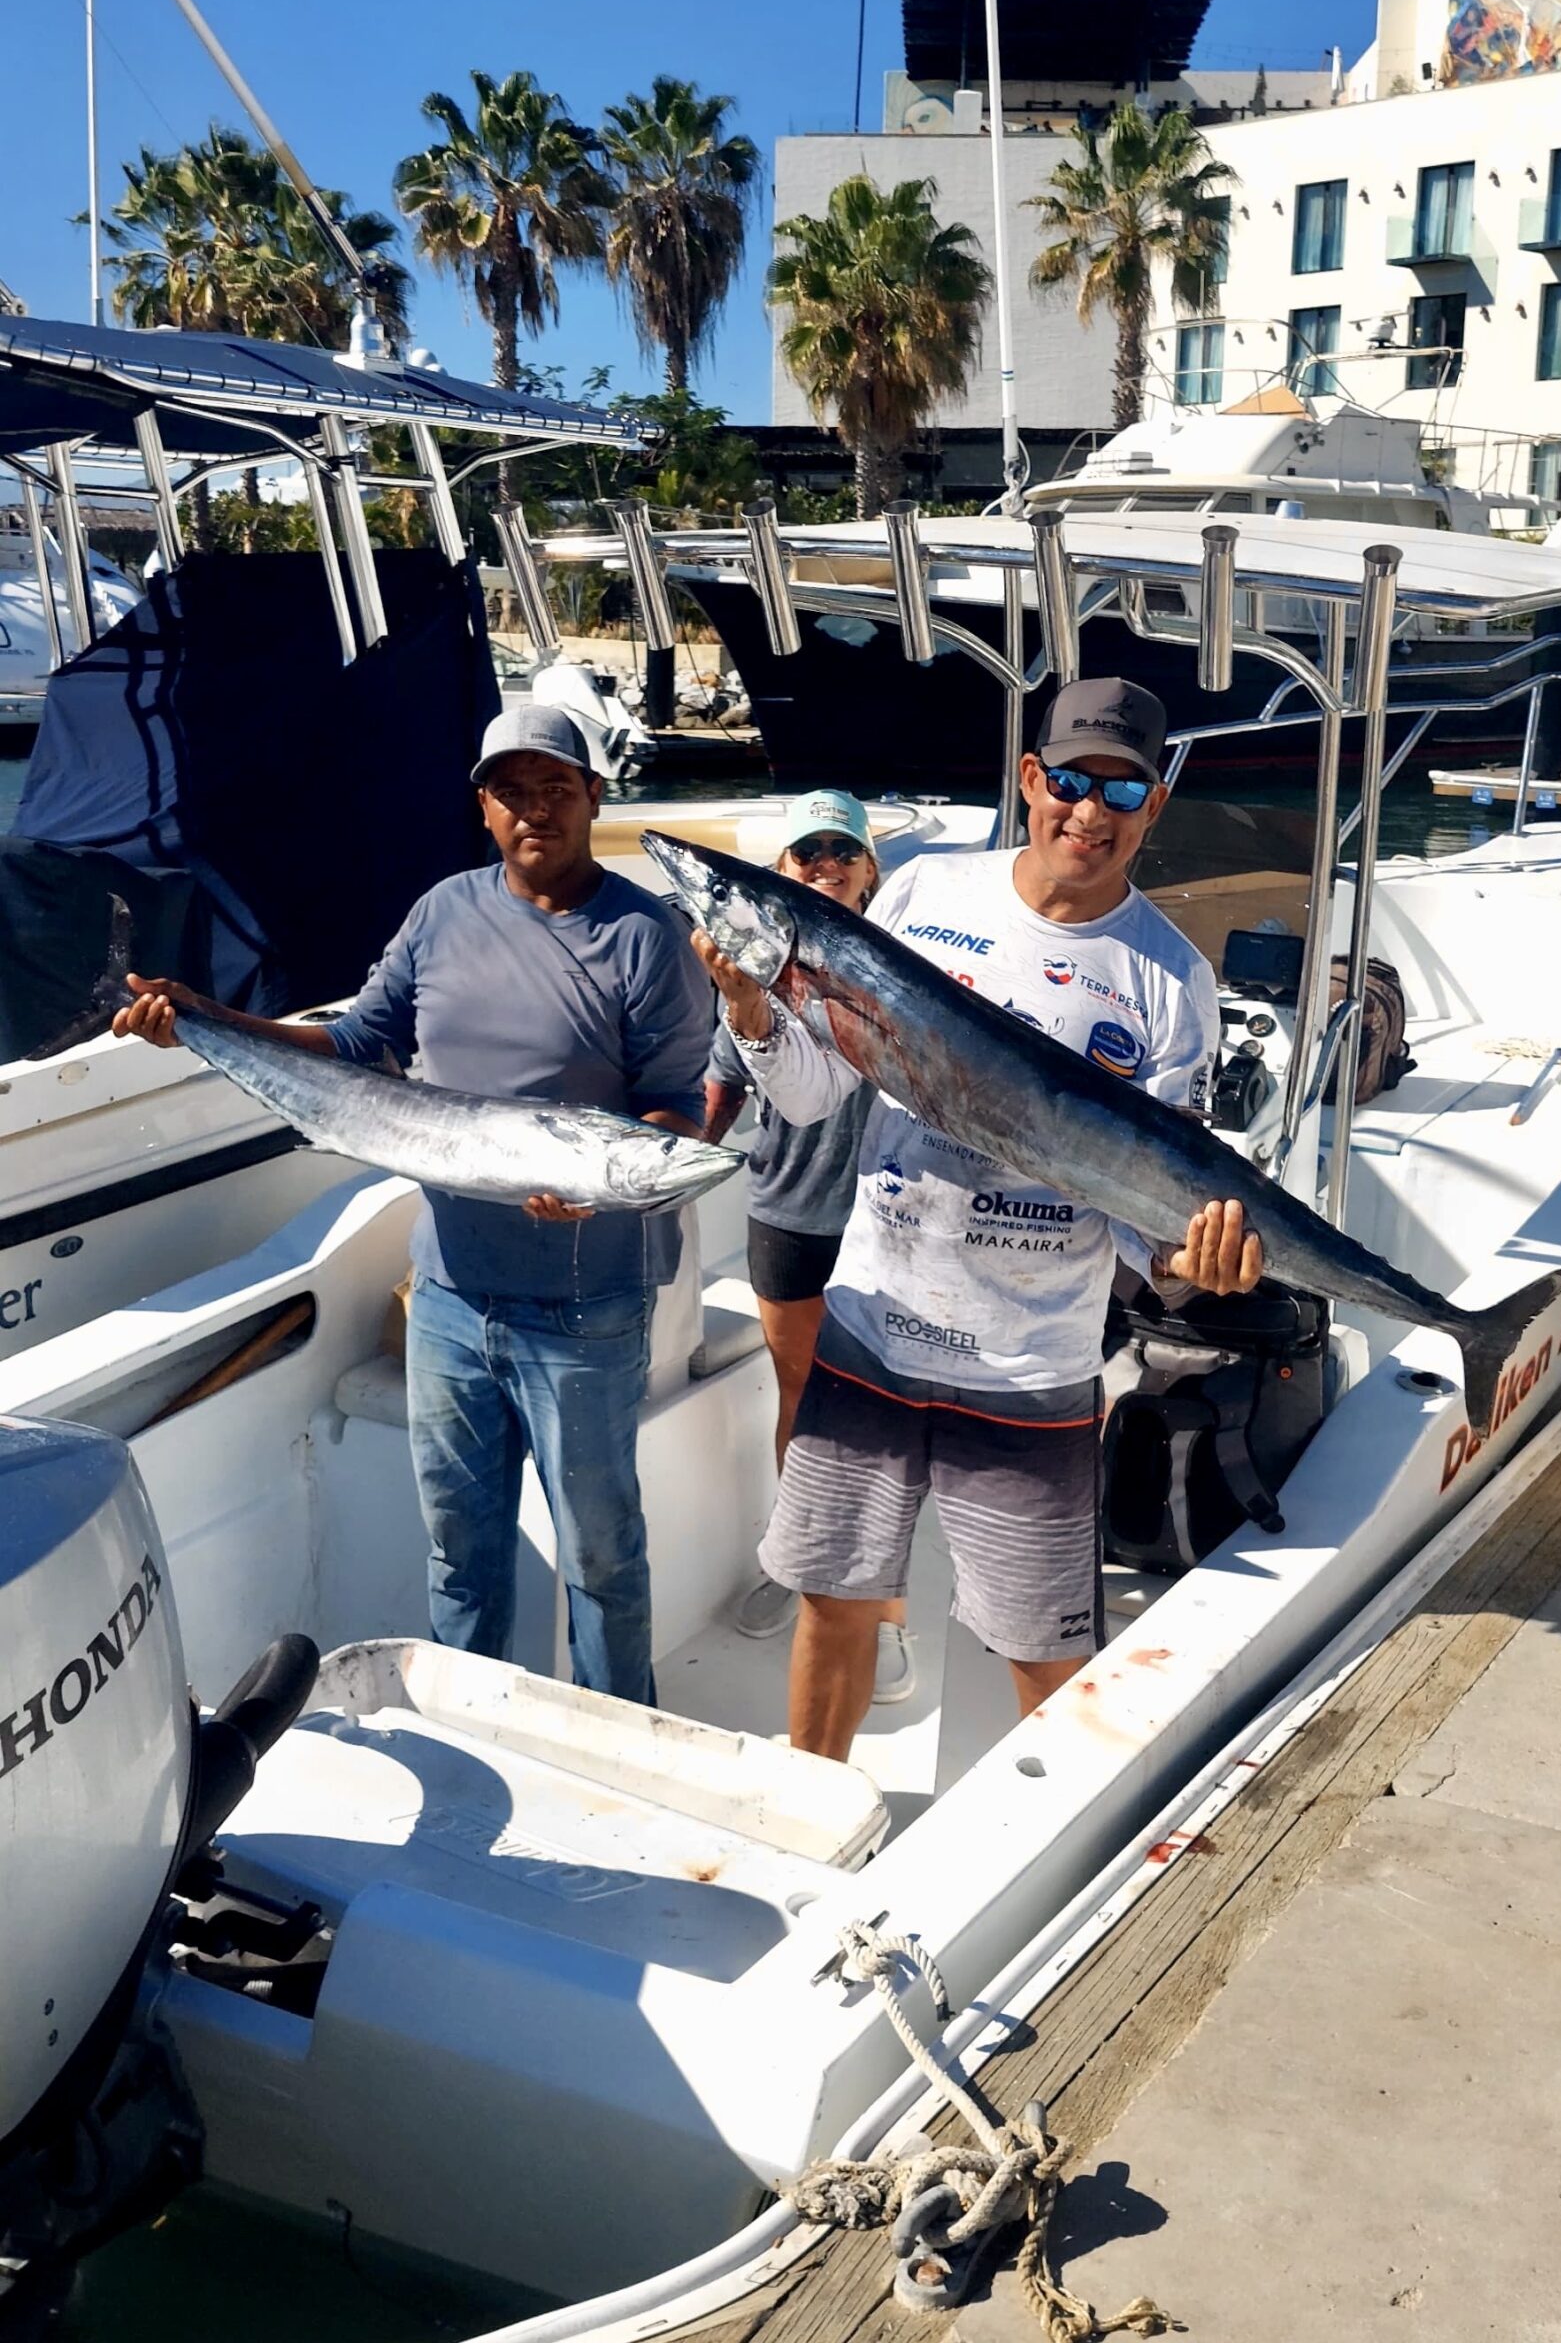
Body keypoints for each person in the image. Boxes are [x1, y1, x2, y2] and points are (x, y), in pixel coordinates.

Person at [694, 675, 1263, 1761]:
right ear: (1028, 778)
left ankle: (1057, 1848)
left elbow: (1158, 1236)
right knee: (834, 1602)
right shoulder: (919, 895)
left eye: (1122, 788)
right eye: (1069, 780)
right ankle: (810, 1810)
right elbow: (816, 1094)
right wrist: (747, 1006)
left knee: (1045, 1650)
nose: (1088, 812)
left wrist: (1201, 1270)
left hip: (1031, 1368)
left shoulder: (1172, 983)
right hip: (871, 1329)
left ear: (1155, 804)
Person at [113, 702, 710, 1704]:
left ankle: (626, 1739)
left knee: (601, 1559)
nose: (535, 809)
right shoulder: (442, 913)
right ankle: (474, 1738)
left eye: (556, 787)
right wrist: (206, 1020)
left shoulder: (645, 937)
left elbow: (675, 1109)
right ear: (482, 807)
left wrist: (598, 1194)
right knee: (459, 1552)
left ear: (593, 798)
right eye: (512, 791)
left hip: (586, 1308)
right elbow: (357, 1046)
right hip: (444, 1298)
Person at [702, 790, 911, 1703]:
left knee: (880, 1422)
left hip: (885, 1224)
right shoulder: (748, 978)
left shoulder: (911, 965)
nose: (823, 861)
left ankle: (884, 1613)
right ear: (780, 873)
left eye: (841, 849)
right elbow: (717, 1094)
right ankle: (799, 1565)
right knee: (801, 1401)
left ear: (869, 870)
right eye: (804, 852)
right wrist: (652, 1170)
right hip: (785, 1213)